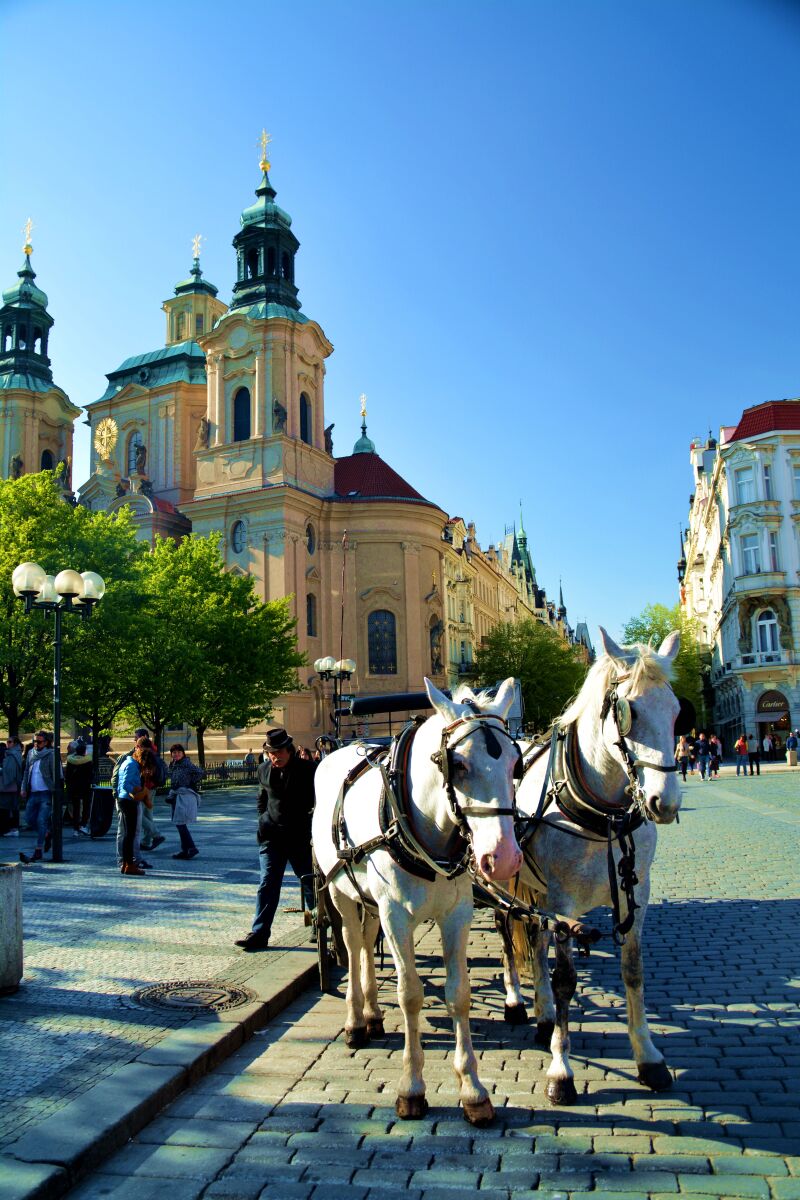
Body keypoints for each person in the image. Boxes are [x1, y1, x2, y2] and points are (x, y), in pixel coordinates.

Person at [235, 727, 316, 952]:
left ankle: (318, 925)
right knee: (267, 884)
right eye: (271, 753)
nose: (275, 756)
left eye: (279, 752)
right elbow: (262, 798)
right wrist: (262, 819)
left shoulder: (309, 769)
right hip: (271, 837)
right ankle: (259, 934)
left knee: (310, 882)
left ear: (289, 751)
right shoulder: (263, 770)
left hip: (300, 836)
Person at [19, 731, 56, 864]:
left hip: (45, 793)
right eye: (34, 741)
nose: (36, 744)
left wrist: (55, 790)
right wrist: (23, 788)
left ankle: (38, 850)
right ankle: (46, 833)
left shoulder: (51, 755)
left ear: (46, 743)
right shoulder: (31, 754)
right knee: (28, 818)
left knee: (41, 820)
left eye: (39, 741)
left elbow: (56, 774)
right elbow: (26, 772)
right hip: (33, 793)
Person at [166, 744, 204, 859]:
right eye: (174, 752)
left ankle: (191, 848)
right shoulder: (173, 764)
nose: (176, 754)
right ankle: (186, 849)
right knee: (179, 823)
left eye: (178, 752)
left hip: (184, 795)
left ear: (183, 753)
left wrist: (190, 782)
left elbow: (200, 772)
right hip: (176, 795)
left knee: (180, 823)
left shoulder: (186, 763)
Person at [117, 745, 150, 876]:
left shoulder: (128, 762)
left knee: (128, 834)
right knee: (129, 834)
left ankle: (126, 864)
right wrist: (138, 792)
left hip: (124, 800)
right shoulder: (132, 765)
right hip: (128, 801)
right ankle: (129, 865)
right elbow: (126, 784)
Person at [65, 739, 93, 833]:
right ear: (84, 751)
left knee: (76, 808)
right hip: (85, 787)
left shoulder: (70, 760)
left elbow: (67, 775)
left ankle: (75, 828)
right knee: (86, 807)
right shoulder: (88, 761)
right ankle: (83, 825)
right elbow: (90, 775)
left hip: (74, 787)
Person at [0, 736, 23, 836]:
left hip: (9, 785)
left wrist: (1, 771)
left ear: (15, 743)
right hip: (13, 785)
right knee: (12, 807)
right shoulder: (15, 753)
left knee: (5, 807)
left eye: (10, 742)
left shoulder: (12, 754)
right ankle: (13, 828)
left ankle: (8, 829)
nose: (7, 744)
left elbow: (10, 771)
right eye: (7, 741)